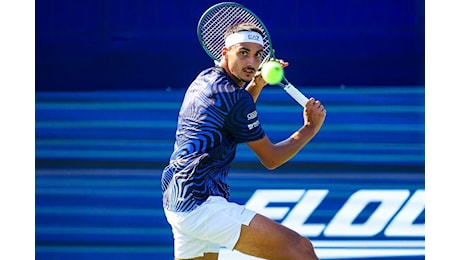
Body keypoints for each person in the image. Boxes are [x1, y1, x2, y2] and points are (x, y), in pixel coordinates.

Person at [161, 22, 326, 260]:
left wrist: (257, 84)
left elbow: (233, 111)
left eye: (258, 55)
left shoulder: (206, 78)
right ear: (225, 53)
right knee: (301, 250)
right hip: (200, 205)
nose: (251, 62)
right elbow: (271, 158)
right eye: (243, 53)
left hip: (177, 199)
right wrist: (310, 128)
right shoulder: (236, 99)